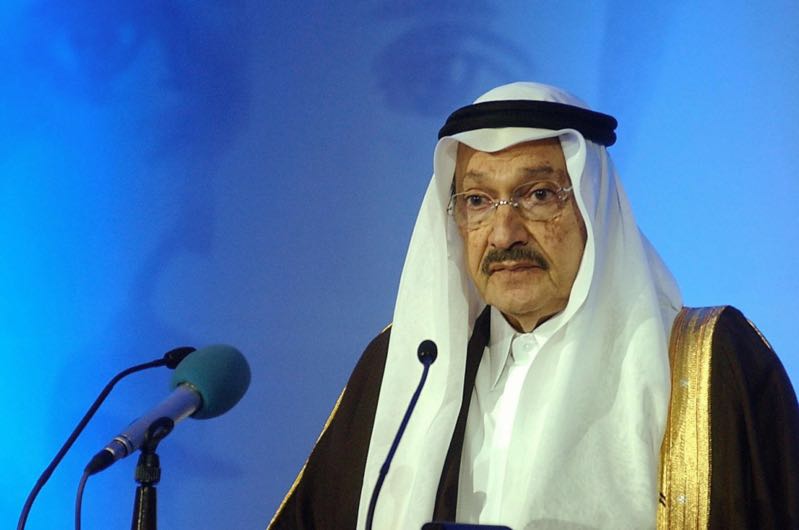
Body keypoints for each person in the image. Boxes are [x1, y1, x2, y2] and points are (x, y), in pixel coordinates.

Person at [267, 82, 799, 529]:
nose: (504, 234)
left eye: (539, 194)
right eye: (478, 201)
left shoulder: (706, 363)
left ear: (594, 206)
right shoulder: (405, 366)